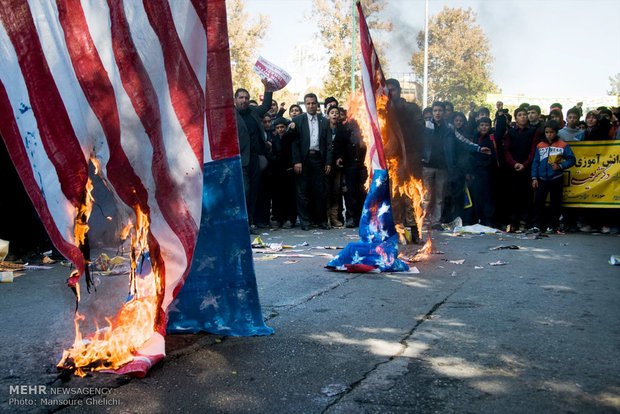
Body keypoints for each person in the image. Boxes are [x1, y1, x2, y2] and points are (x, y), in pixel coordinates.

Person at [422, 102, 491, 230]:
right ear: (432, 112)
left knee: (439, 196)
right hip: (427, 165)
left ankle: (436, 222)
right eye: (435, 110)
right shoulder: (425, 125)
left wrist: (478, 148)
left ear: (443, 113)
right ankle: (425, 222)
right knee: (426, 196)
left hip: (443, 166)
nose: (437, 113)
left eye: (440, 111)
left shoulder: (449, 128)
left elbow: (463, 141)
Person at [385, 78, 425, 241]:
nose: (390, 94)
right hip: (392, 158)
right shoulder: (383, 111)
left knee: (411, 194)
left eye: (392, 90)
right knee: (394, 196)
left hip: (410, 156)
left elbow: (418, 129)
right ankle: (397, 230)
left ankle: (414, 230)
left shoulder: (411, 108)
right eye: (387, 91)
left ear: (399, 91)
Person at [288, 93, 332, 230]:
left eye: (313, 103)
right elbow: (294, 143)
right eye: (308, 103)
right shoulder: (299, 120)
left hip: (319, 159)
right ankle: (305, 222)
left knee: (320, 191)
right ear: (305, 105)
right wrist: (297, 161)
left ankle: (322, 221)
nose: (311, 106)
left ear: (317, 104)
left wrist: (328, 162)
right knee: (302, 192)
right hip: (303, 159)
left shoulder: (324, 121)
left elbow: (328, 143)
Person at [234, 78, 272, 234]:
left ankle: (249, 223)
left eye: (246, 98)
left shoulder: (253, 112)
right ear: (235, 100)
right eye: (241, 97)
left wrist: (267, 88)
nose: (244, 100)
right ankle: (241, 225)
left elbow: (266, 105)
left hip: (255, 159)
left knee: (254, 192)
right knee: (245, 191)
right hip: (240, 160)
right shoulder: (230, 115)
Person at [530, 120, 576, 233]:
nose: (549, 135)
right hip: (542, 179)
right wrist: (534, 177)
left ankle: (552, 225)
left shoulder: (563, 145)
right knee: (539, 202)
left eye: (551, 132)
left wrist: (560, 166)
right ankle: (537, 225)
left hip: (556, 178)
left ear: (556, 132)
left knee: (555, 203)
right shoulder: (540, 145)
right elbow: (536, 162)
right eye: (547, 132)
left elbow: (572, 160)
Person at [503, 106, 537, 232]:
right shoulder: (511, 132)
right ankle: (512, 222)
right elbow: (506, 150)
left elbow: (534, 150)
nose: (523, 116)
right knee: (513, 195)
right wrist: (514, 164)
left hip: (527, 169)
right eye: (520, 115)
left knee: (526, 196)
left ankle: (524, 222)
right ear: (516, 118)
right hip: (513, 169)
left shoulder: (533, 131)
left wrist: (525, 164)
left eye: (525, 114)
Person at [468, 117, 499, 227]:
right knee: (477, 196)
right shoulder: (475, 137)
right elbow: (471, 154)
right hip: (476, 171)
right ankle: (479, 218)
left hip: (488, 171)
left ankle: (489, 219)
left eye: (486, 125)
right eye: (482, 125)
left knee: (488, 196)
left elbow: (494, 155)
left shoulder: (492, 138)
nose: (484, 127)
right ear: (478, 127)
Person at [326, 106, 344, 227]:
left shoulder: (341, 129)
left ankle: (334, 217)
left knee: (335, 191)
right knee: (326, 191)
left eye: (336, 113)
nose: (334, 115)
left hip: (337, 165)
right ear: (327, 115)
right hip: (325, 164)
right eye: (332, 113)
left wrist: (340, 157)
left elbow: (345, 146)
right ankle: (326, 217)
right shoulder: (323, 128)